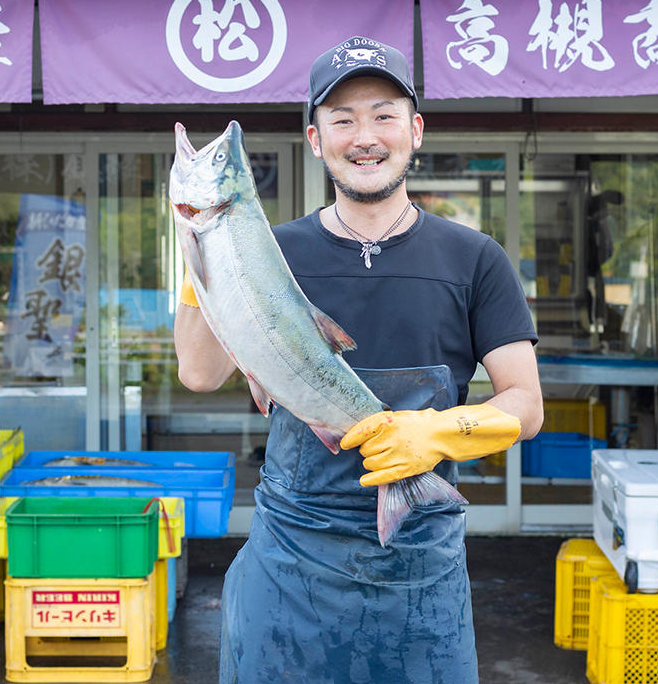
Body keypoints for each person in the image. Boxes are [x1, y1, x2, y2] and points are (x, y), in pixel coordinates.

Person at [174, 36, 544, 684]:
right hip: (291, 561)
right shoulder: (271, 248)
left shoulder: (474, 258)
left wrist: (435, 431)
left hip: (420, 572)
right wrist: (203, 251)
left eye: (383, 115)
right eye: (342, 119)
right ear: (316, 140)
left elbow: (526, 405)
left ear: (415, 130)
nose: (364, 135)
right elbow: (200, 375)